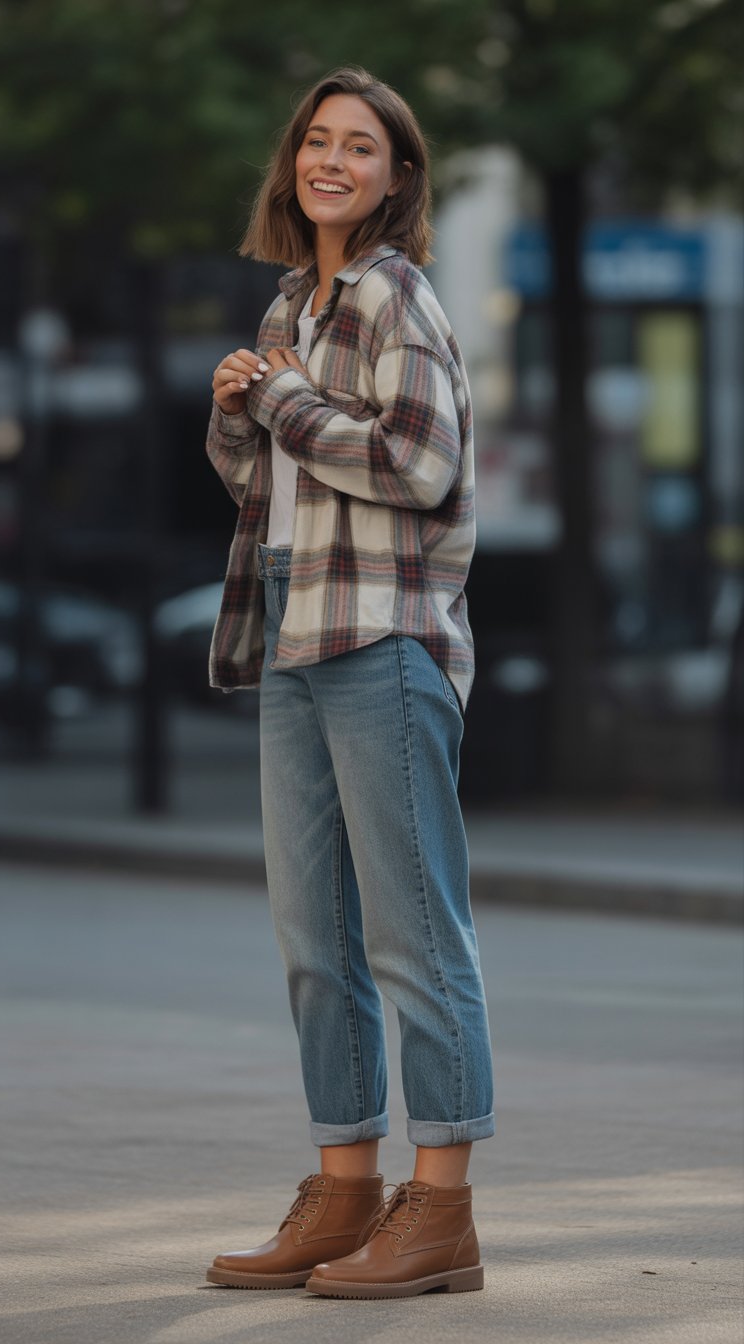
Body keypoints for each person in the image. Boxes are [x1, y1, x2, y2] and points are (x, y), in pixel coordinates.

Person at [203, 65, 494, 1301]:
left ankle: (442, 1212)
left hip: (382, 637)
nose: (332, 160)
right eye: (317, 141)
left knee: (412, 934)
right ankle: (342, 1194)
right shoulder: (292, 303)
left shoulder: (393, 294)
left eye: (360, 146)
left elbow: (418, 465)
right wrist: (240, 411)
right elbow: (272, 485)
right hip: (295, 632)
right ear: (294, 164)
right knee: (313, 941)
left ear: (396, 175)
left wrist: (280, 399)